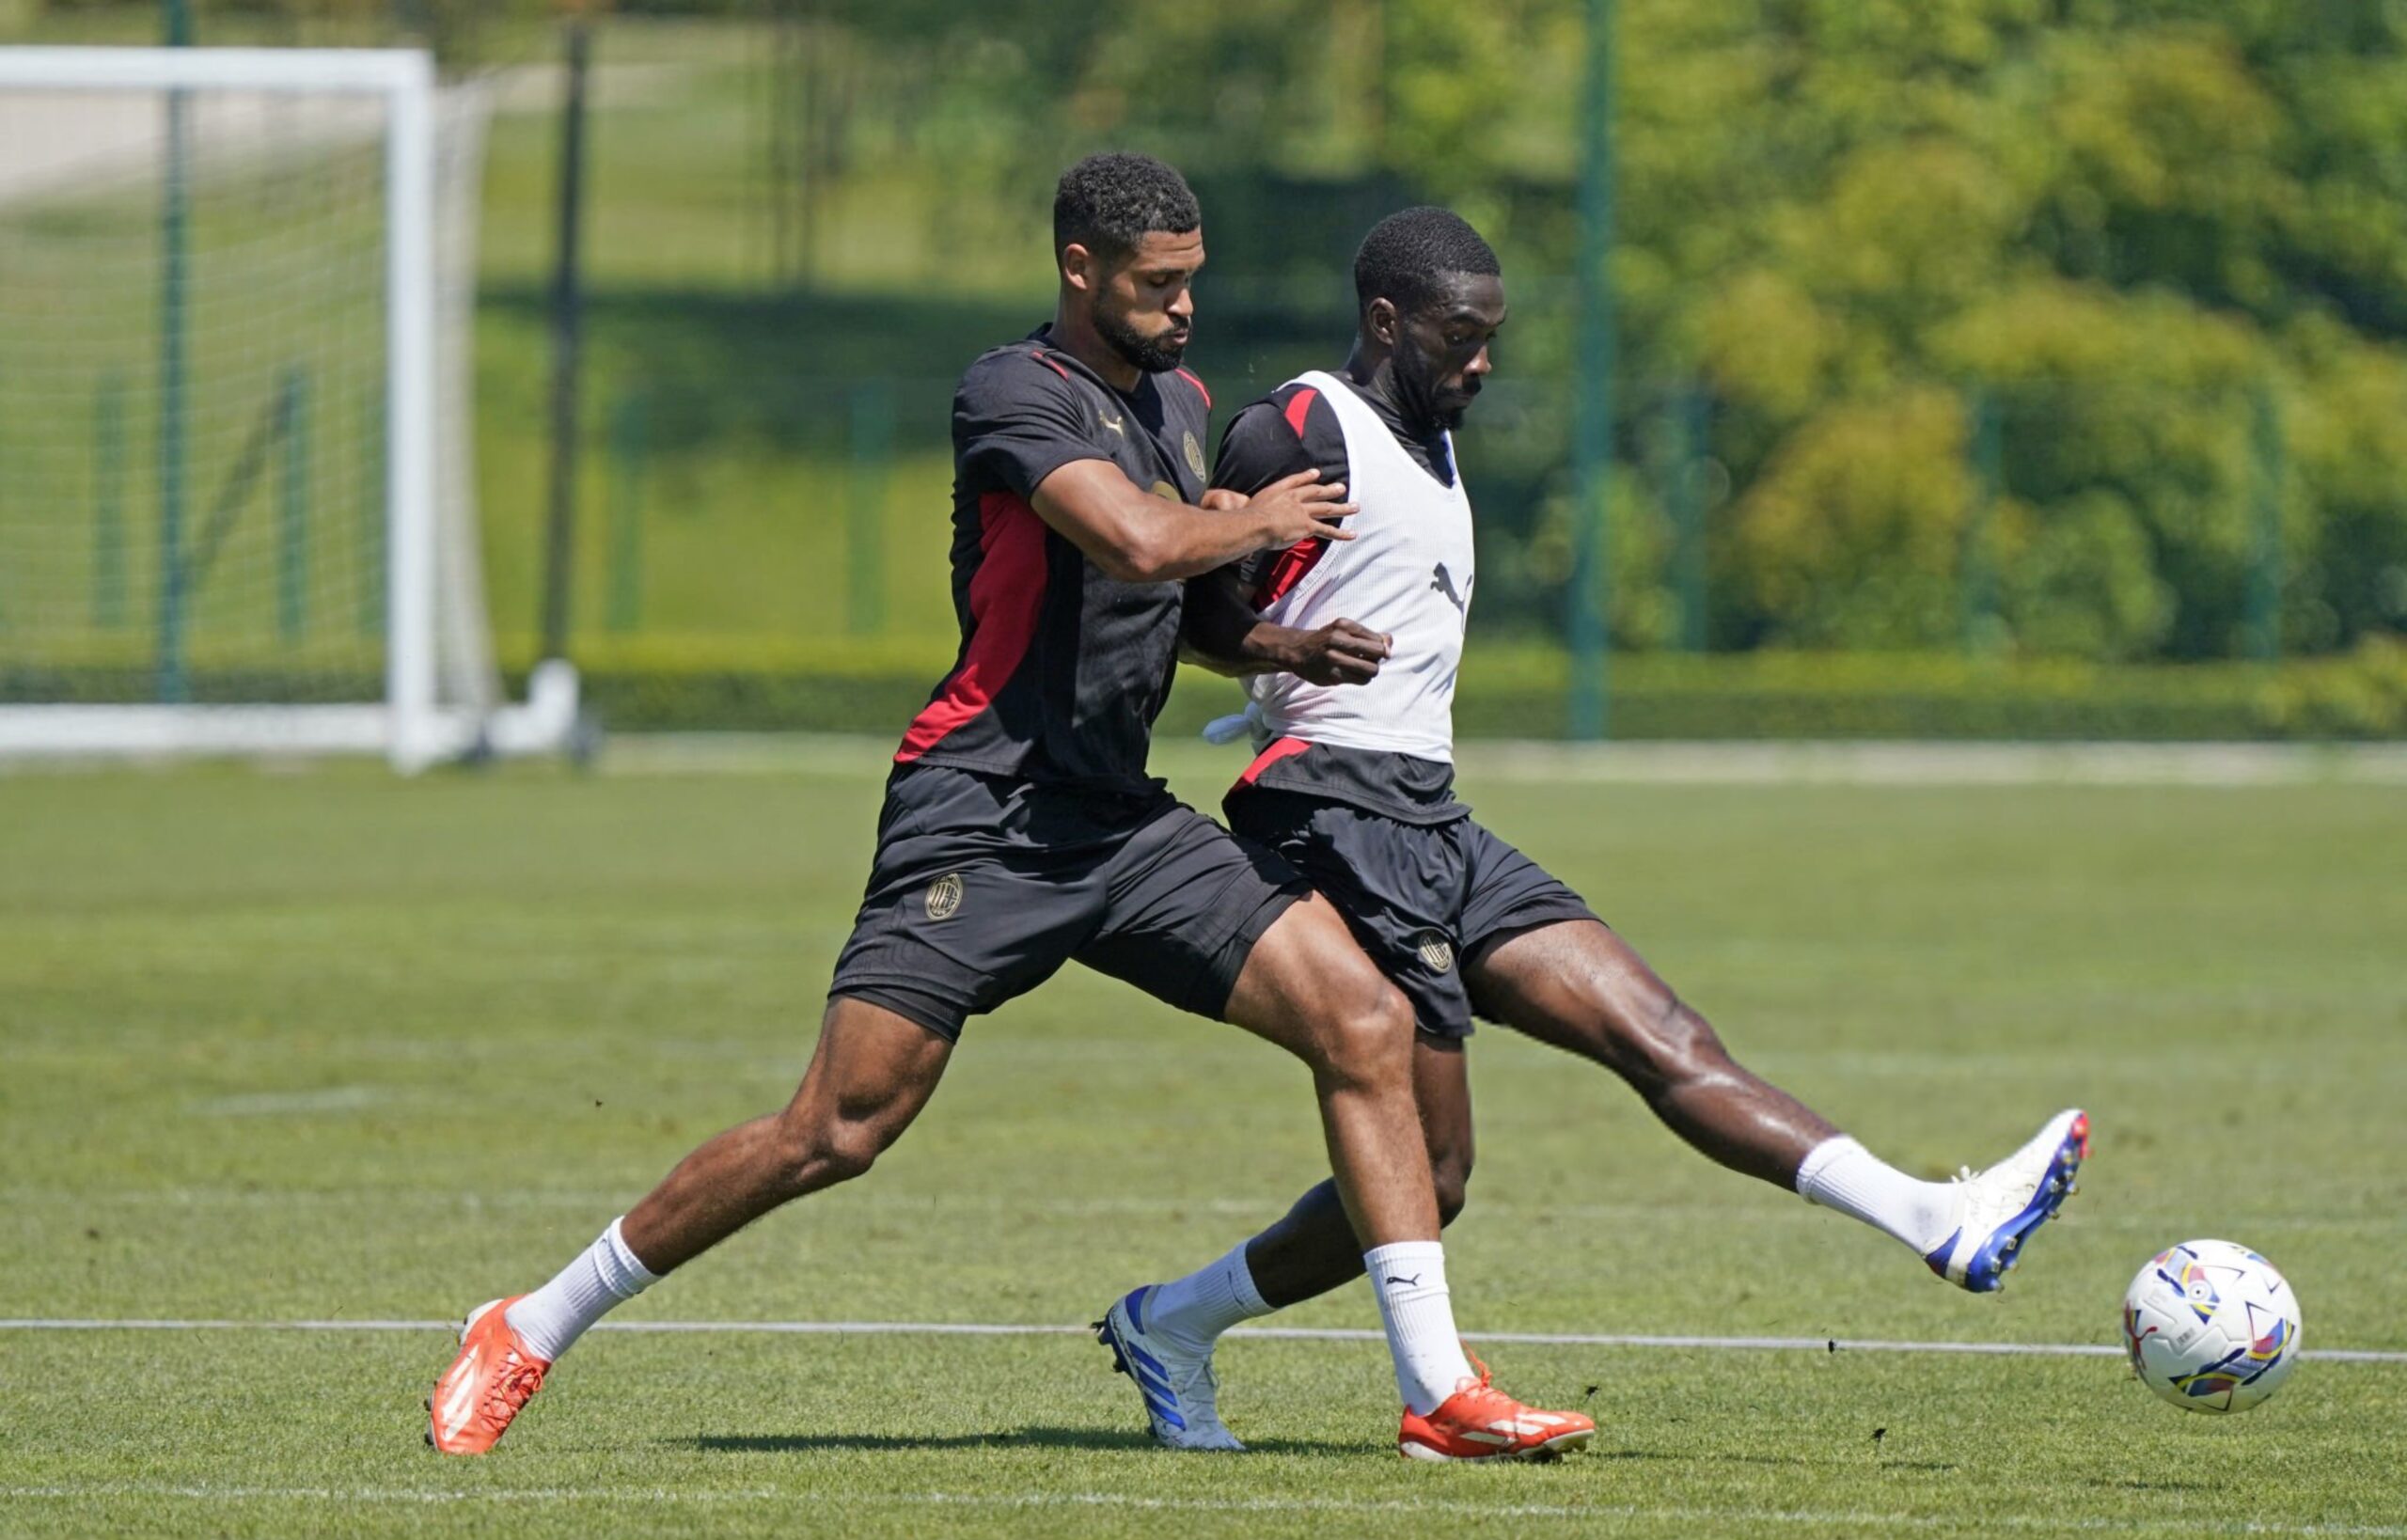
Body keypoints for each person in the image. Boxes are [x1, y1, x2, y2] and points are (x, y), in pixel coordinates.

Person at [428, 163, 1593, 1463]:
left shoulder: (1184, 402)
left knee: (1364, 1017)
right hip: (981, 810)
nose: (1184, 307)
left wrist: (1274, 641)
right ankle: (528, 1320)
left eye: (1194, 279)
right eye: (1158, 284)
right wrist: (1246, 521)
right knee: (838, 1126)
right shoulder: (1012, 392)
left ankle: (1435, 1391)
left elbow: (1169, 603)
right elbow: (1140, 546)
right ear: (1080, 270)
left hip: (1123, 825)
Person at [1095, 206, 2088, 1453]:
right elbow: (1187, 610)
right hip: (1329, 810)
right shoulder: (1300, 424)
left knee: (1660, 1033)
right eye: (1462, 338)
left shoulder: (1440, 449)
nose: (1483, 363)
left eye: (1494, 338)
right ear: (1388, 321)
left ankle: (1940, 1220)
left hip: (1431, 812)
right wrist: (1289, 647)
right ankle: (1369, 1377)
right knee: (1431, 1172)